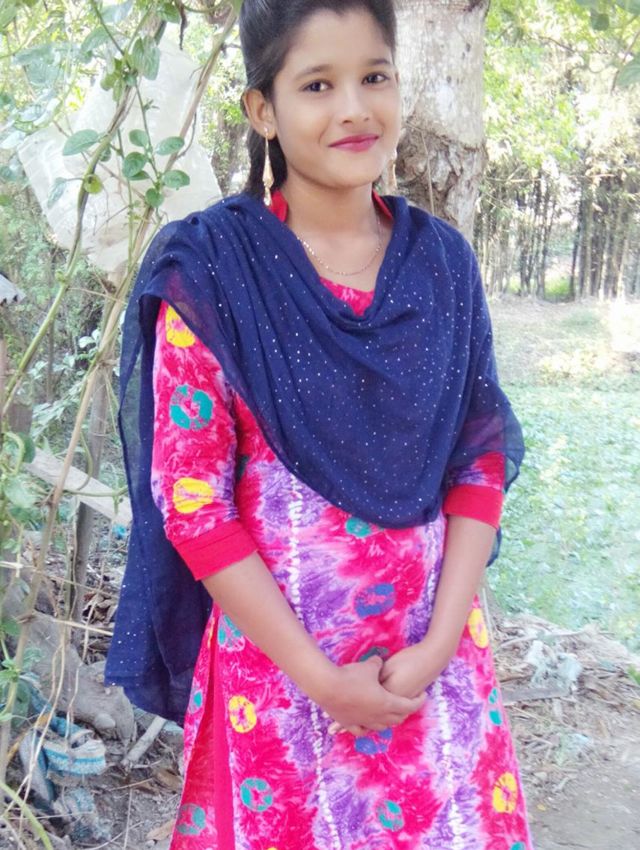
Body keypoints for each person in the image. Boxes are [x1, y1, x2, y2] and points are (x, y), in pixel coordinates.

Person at [106, 0, 532, 847]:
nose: (354, 108)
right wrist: (322, 680)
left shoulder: (443, 265)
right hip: (285, 683)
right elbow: (193, 502)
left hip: (430, 673)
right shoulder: (214, 273)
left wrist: (440, 645)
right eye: (317, 85)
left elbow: (479, 457)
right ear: (262, 109)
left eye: (375, 76)